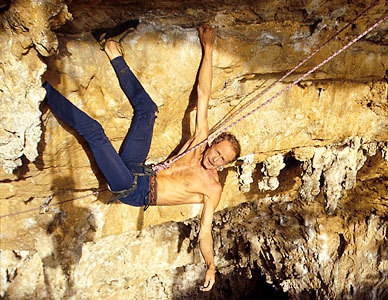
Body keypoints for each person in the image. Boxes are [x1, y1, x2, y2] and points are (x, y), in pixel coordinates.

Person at [43, 22, 241, 292]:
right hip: (138, 168)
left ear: (226, 165)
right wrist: (209, 48)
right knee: (147, 109)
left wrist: (210, 264)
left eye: (223, 161)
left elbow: (205, 230)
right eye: (217, 152)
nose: (216, 160)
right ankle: (110, 47)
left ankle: (42, 89)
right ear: (213, 143)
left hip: (133, 190)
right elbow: (203, 94)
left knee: (95, 132)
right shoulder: (199, 144)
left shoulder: (212, 189)